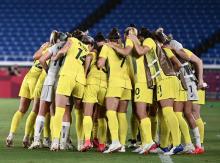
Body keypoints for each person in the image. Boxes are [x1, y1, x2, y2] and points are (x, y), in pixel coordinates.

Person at [129, 28, 183, 155]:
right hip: (164, 79)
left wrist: (134, 40)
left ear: (142, 37)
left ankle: (177, 144)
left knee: (168, 111)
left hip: (164, 79)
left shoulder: (148, 40)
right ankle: (168, 145)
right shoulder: (157, 45)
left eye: (140, 38)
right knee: (165, 112)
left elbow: (141, 51)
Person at [50, 33, 94, 151]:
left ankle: (55, 142)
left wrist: (55, 57)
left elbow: (63, 51)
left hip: (67, 76)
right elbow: (86, 68)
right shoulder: (87, 49)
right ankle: (81, 144)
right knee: (79, 113)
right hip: (80, 79)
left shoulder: (72, 40)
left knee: (59, 110)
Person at [6, 38, 51, 147]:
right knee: (36, 110)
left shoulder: (45, 48)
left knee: (21, 109)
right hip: (37, 80)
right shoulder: (53, 51)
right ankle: (27, 137)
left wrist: (42, 47)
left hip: (28, 77)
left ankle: (11, 135)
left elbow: (35, 56)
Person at [28, 31, 68, 149]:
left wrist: (48, 70)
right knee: (58, 112)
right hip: (61, 81)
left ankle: (36, 140)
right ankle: (60, 142)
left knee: (42, 110)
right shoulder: (69, 49)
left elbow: (41, 60)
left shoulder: (55, 47)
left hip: (49, 79)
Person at [97, 28, 132, 153]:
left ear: (109, 39)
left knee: (110, 112)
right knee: (122, 114)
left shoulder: (107, 47)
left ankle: (115, 142)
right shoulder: (124, 47)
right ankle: (122, 145)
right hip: (127, 84)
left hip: (115, 82)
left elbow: (100, 64)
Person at [81, 32, 108, 152]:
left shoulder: (91, 54)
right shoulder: (106, 56)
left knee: (88, 114)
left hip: (92, 83)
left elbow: (86, 64)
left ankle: (87, 141)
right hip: (104, 85)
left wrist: (84, 76)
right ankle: (102, 144)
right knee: (102, 117)